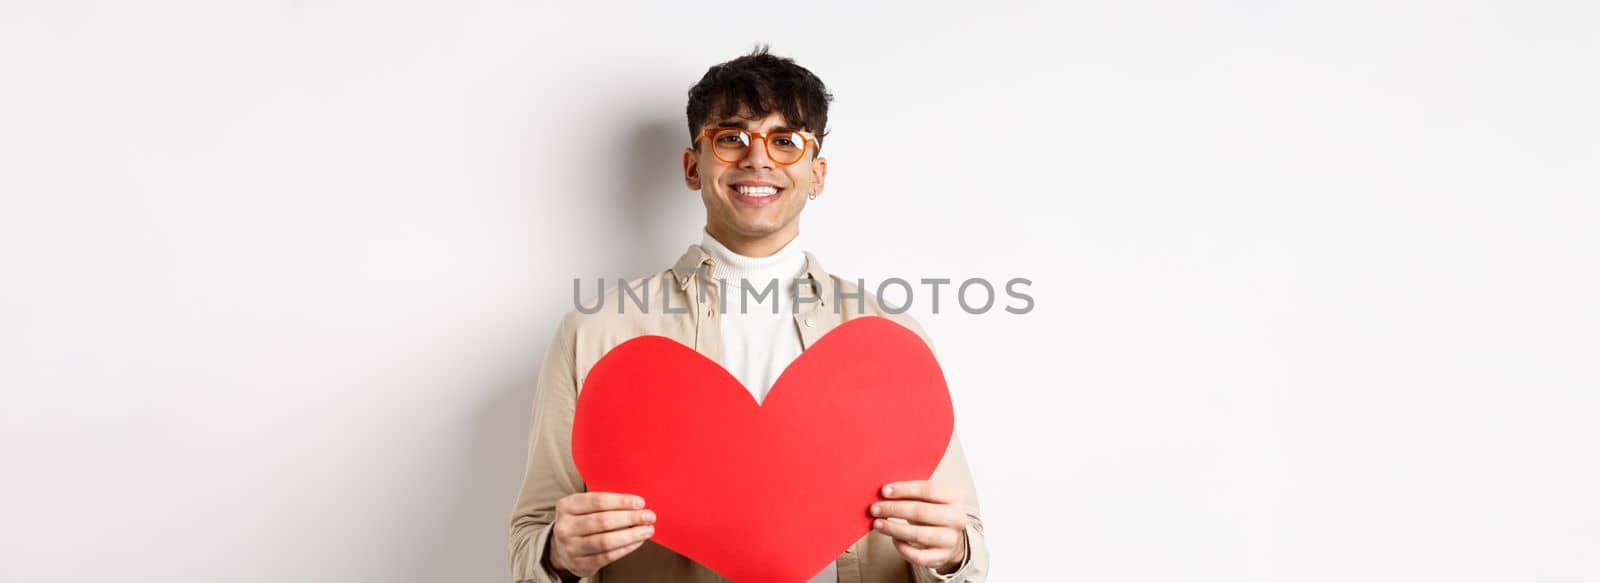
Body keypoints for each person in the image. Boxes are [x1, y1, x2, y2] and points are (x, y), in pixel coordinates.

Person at [507, 46, 989, 583]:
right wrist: (557, 553)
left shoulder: (888, 339)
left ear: (817, 174)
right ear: (694, 166)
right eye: (731, 138)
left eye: (786, 142)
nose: (758, 160)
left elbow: (966, 545)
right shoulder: (596, 335)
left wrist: (950, 554)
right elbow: (531, 539)